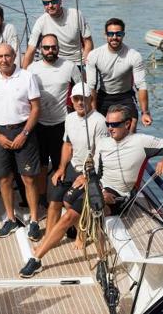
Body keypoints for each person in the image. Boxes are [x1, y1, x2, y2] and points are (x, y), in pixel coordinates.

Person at [19, 104, 163, 278]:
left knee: (87, 211)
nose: (110, 128)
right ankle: (46, 254)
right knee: (67, 204)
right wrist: (86, 177)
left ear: (127, 124)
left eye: (115, 124)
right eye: (108, 124)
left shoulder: (142, 141)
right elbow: (96, 170)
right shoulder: (104, 143)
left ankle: (97, 259)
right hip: (98, 188)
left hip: (119, 195)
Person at [0, 43, 43, 242]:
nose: (4, 60)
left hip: (23, 131)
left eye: (8, 55)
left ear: (14, 56)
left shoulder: (27, 77)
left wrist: (24, 133)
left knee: (29, 178)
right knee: (4, 178)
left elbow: (35, 108)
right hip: (0, 133)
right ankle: (10, 218)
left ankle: (34, 220)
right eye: (0, 56)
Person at [26, 34, 81, 234]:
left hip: (61, 123)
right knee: (40, 164)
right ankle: (42, 198)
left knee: (63, 165)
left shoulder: (70, 66)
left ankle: (66, 200)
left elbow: (81, 89)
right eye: (46, 47)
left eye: (53, 47)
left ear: (58, 48)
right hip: (38, 123)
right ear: (41, 49)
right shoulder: (32, 69)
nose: (50, 51)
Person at [50, 84, 108, 248]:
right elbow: (68, 145)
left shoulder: (99, 121)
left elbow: (101, 153)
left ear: (90, 99)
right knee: (54, 199)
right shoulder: (69, 118)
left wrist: (88, 176)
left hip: (90, 171)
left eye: (84, 98)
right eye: (76, 99)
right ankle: (50, 236)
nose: (80, 102)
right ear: (72, 101)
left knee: (68, 202)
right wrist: (61, 168)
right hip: (72, 167)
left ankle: (82, 232)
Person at [86, 18, 152, 133]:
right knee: (101, 129)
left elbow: (141, 86)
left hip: (125, 96)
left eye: (118, 34)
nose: (114, 37)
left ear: (123, 35)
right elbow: (91, 87)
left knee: (131, 128)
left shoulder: (134, 55)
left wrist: (145, 113)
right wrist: (93, 112)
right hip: (104, 96)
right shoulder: (94, 55)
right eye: (111, 34)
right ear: (105, 35)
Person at [21, 0, 93, 70]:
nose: (50, 6)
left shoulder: (76, 15)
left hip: (77, 63)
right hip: (53, 63)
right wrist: (23, 75)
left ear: (60, 1)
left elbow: (88, 42)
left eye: (54, 2)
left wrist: (86, 64)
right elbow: (31, 49)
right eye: (46, 3)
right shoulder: (40, 22)